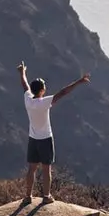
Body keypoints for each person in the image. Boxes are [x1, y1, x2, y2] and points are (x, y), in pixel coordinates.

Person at [18, 61, 90, 203]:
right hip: (45, 139)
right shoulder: (44, 102)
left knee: (31, 169)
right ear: (42, 91)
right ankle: (46, 197)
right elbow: (63, 92)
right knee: (46, 169)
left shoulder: (28, 100)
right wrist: (79, 82)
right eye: (44, 87)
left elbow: (25, 85)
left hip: (33, 139)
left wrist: (22, 73)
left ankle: (28, 196)